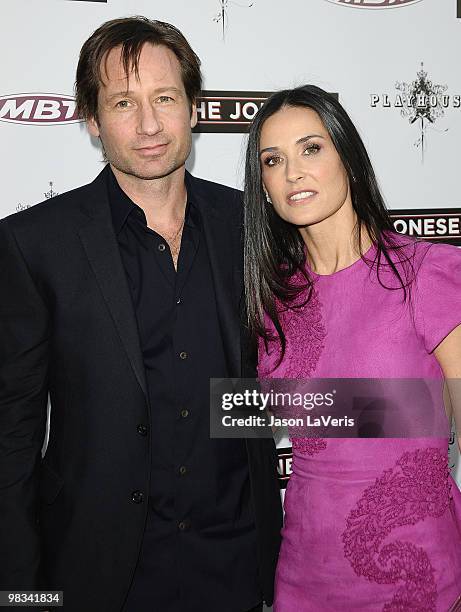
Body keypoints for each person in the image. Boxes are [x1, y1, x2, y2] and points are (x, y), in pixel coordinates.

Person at [0, 17, 282, 612]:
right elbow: (13, 441)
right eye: (124, 102)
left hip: (234, 570)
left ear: (195, 109)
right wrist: (23, 596)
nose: (149, 124)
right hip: (97, 581)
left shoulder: (254, 227)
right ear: (92, 119)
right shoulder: (35, 245)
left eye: (165, 98)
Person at [243, 84, 461, 611]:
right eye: (273, 160)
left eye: (311, 148)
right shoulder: (271, 299)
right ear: (264, 187)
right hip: (302, 576)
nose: (293, 171)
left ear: (350, 160)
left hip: (419, 579)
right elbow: (247, 417)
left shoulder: (426, 273)